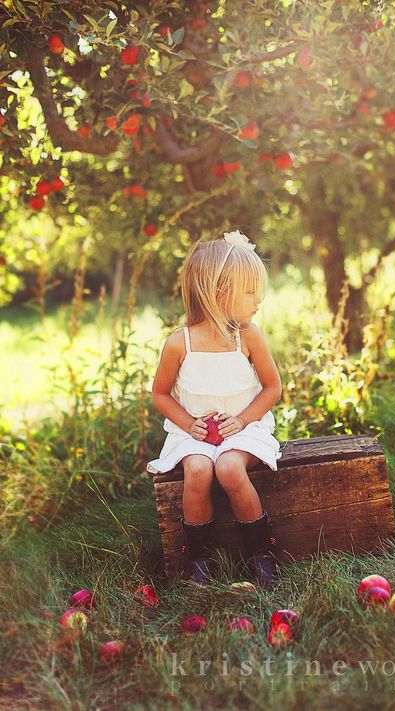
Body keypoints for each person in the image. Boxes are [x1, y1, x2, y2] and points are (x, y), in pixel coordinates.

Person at [147, 229, 283, 589]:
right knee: (197, 470)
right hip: (193, 433)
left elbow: (273, 388)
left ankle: (261, 555)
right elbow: (160, 395)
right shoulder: (180, 343)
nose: (258, 300)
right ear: (218, 292)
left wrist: (242, 419)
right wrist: (188, 423)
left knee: (229, 467)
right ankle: (200, 562)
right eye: (250, 291)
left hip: (245, 428)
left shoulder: (249, 336)